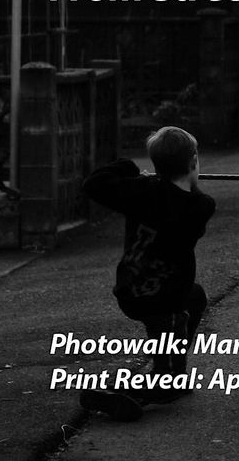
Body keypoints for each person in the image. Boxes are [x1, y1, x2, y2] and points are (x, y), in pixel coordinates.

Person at [80, 126, 216, 419]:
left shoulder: (139, 192)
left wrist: (129, 170)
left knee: (195, 297)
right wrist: (184, 182)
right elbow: (187, 201)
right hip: (164, 299)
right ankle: (133, 390)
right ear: (193, 161)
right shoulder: (201, 205)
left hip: (133, 289)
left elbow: (94, 184)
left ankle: (171, 368)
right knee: (168, 381)